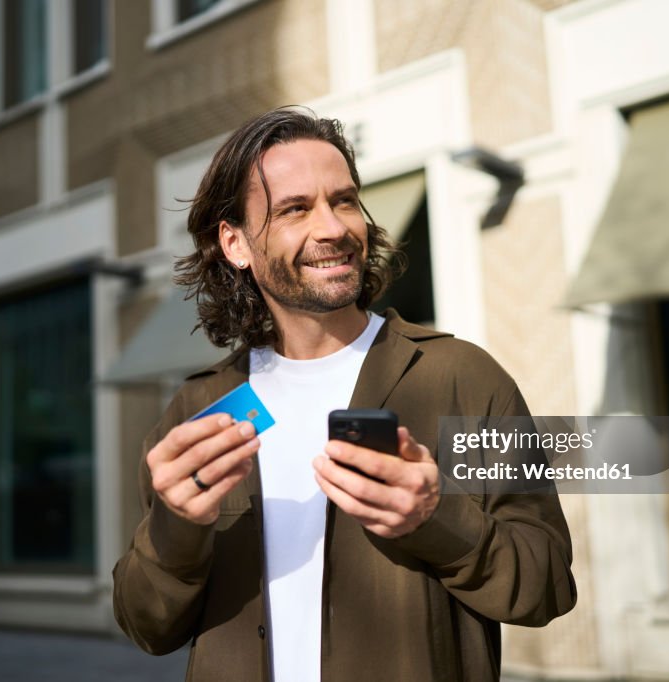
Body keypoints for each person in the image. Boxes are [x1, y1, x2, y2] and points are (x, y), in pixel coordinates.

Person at [112, 108, 576, 682]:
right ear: (234, 243)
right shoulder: (203, 408)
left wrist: (435, 517)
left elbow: (547, 584)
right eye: (295, 209)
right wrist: (176, 526)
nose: (333, 228)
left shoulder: (461, 378)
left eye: (345, 200)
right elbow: (144, 626)